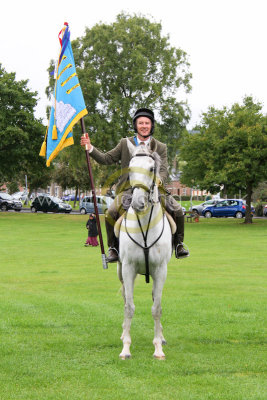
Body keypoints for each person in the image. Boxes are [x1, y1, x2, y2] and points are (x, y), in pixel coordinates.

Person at [80, 108, 189, 262]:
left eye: (147, 123)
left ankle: (179, 245)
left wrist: (159, 179)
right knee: (110, 212)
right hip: (128, 189)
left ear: (151, 125)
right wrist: (90, 147)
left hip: (153, 189)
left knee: (177, 210)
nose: (144, 125)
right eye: (140, 123)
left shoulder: (160, 147)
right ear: (136, 125)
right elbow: (106, 159)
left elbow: (164, 170)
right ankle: (113, 249)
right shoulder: (125, 143)